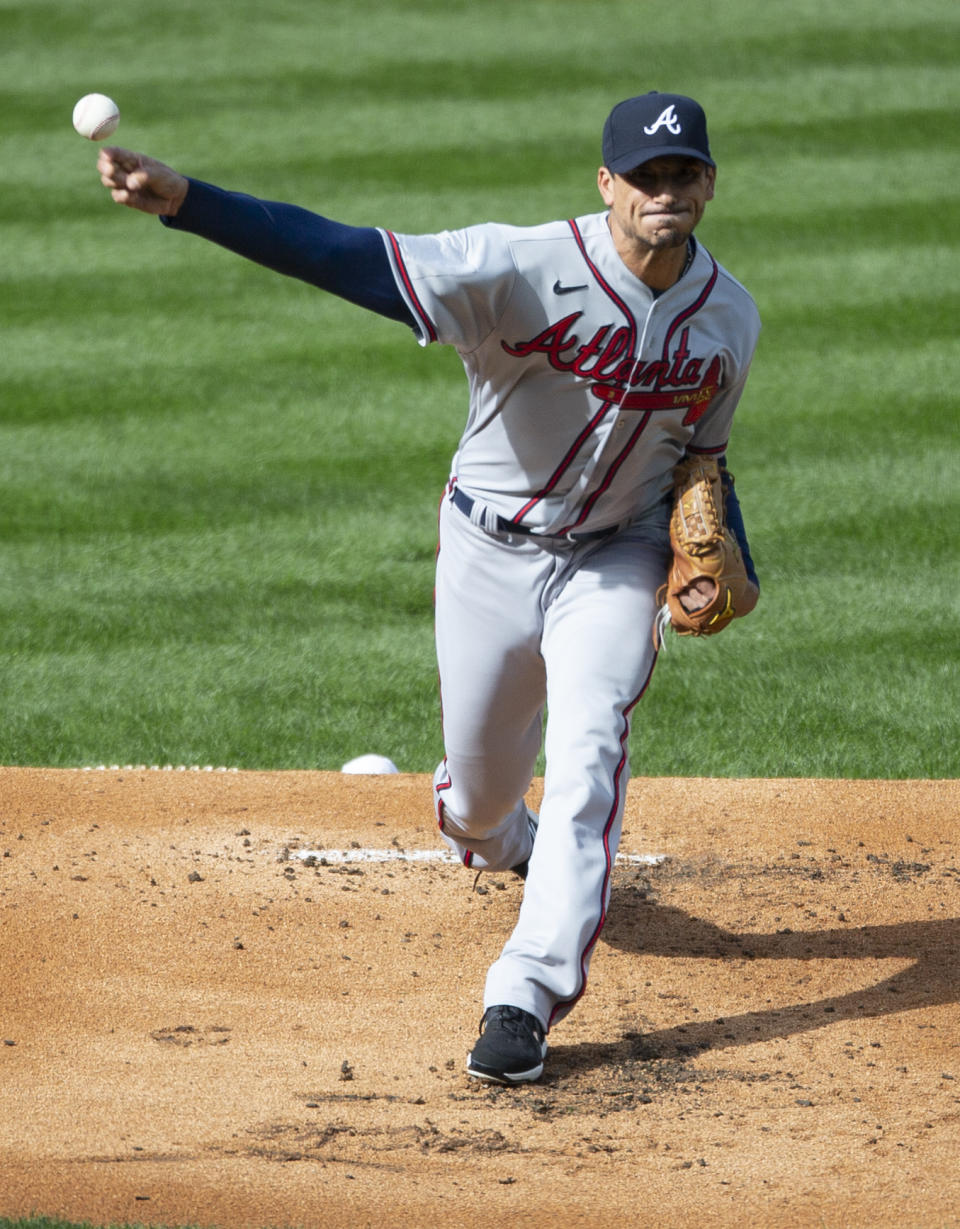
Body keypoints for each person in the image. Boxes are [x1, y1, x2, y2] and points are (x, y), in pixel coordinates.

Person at [96, 90, 761, 1085]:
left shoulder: (731, 319)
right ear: (607, 185)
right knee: (482, 809)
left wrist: (731, 551)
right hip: (488, 549)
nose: (666, 192)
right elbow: (347, 256)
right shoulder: (518, 266)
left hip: (614, 558)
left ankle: (524, 995)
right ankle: (495, 829)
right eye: (646, 176)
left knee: (590, 751)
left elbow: (702, 463)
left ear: (709, 181)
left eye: (684, 174)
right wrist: (191, 200)